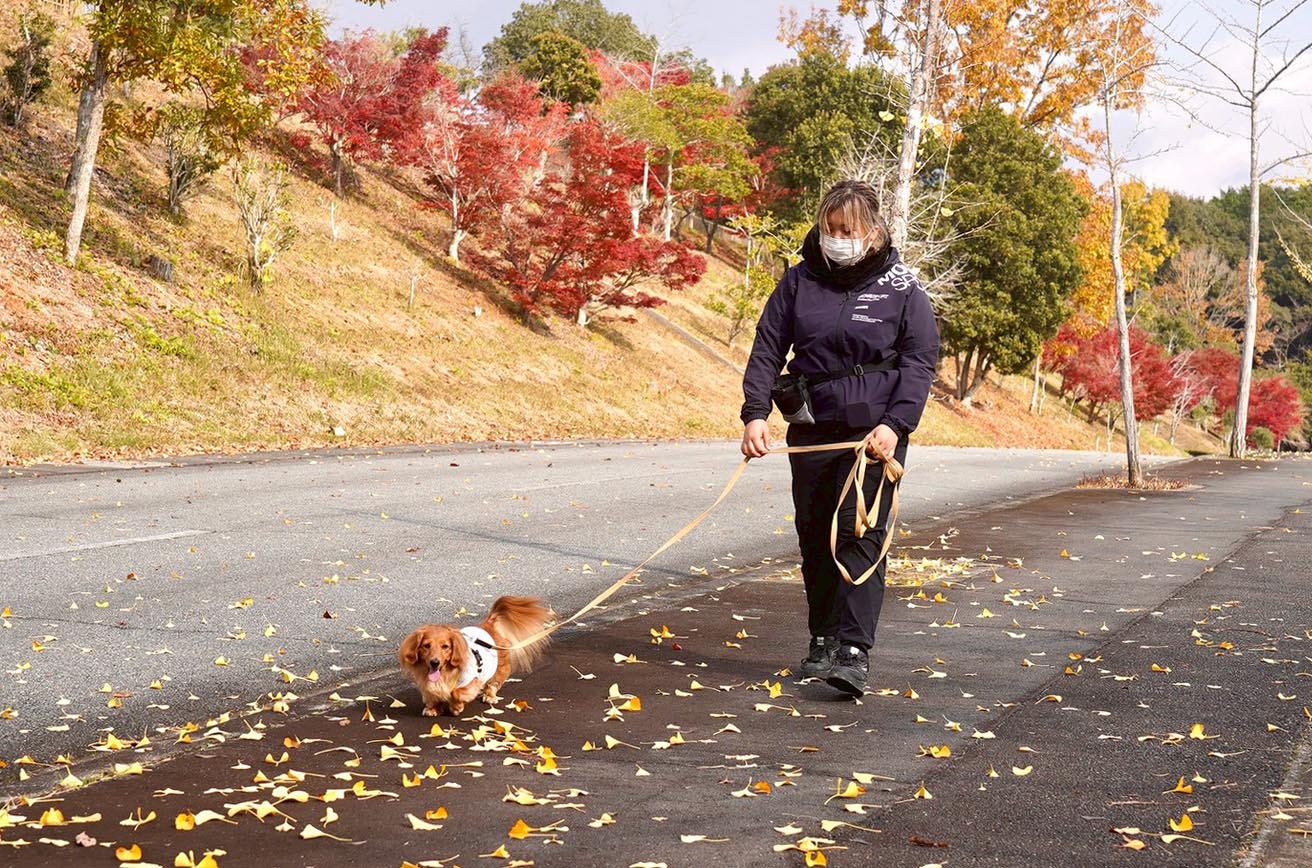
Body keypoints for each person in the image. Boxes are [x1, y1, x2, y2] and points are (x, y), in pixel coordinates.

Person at [739, 180, 939, 696]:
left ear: (871, 232)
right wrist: (755, 414)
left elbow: (919, 364)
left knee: (858, 534)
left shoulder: (903, 289)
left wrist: (895, 425)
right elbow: (767, 347)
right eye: (829, 230)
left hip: (875, 433)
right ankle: (823, 639)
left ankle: (853, 650)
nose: (836, 239)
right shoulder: (798, 282)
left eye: (846, 231)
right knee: (815, 535)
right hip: (811, 428)